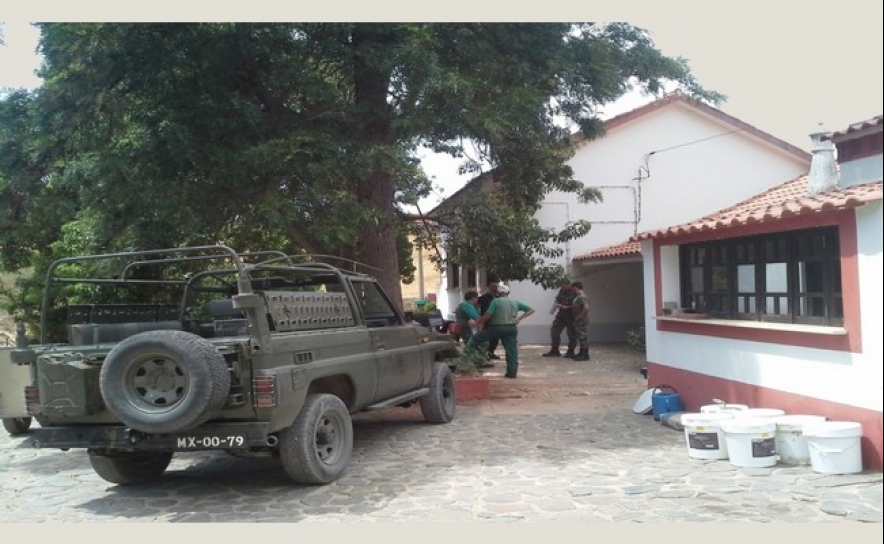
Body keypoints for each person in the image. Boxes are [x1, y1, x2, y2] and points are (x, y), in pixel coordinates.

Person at [465, 284, 535, 378]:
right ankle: (512, 373)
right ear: (508, 292)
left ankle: (464, 362)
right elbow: (531, 310)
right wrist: (519, 319)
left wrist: (476, 323)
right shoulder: (515, 302)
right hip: (511, 328)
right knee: (511, 351)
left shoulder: (496, 301)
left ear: (499, 292)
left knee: (475, 339)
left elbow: (487, 315)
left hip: (496, 327)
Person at [541, 280, 577, 358]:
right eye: (561, 287)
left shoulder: (575, 291)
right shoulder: (562, 291)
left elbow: (578, 305)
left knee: (572, 334)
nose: (562, 288)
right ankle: (555, 350)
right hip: (561, 315)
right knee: (554, 330)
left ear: (569, 285)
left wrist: (567, 307)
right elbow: (558, 298)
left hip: (571, 316)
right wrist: (556, 304)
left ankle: (571, 351)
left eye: (563, 286)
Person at [476, 281, 501, 359]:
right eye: (494, 287)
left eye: (497, 287)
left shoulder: (497, 297)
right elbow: (477, 304)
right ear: (490, 288)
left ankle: (491, 352)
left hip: (496, 320)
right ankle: (485, 353)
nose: (496, 288)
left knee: (495, 337)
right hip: (487, 320)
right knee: (487, 337)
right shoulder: (485, 297)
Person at [569, 281, 591, 361]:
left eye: (572, 289)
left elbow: (586, 308)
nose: (572, 291)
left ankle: (585, 354)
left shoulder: (582, 297)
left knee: (582, 337)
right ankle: (581, 353)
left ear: (575, 288)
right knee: (581, 337)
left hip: (581, 320)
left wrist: (578, 317)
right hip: (579, 320)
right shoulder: (579, 297)